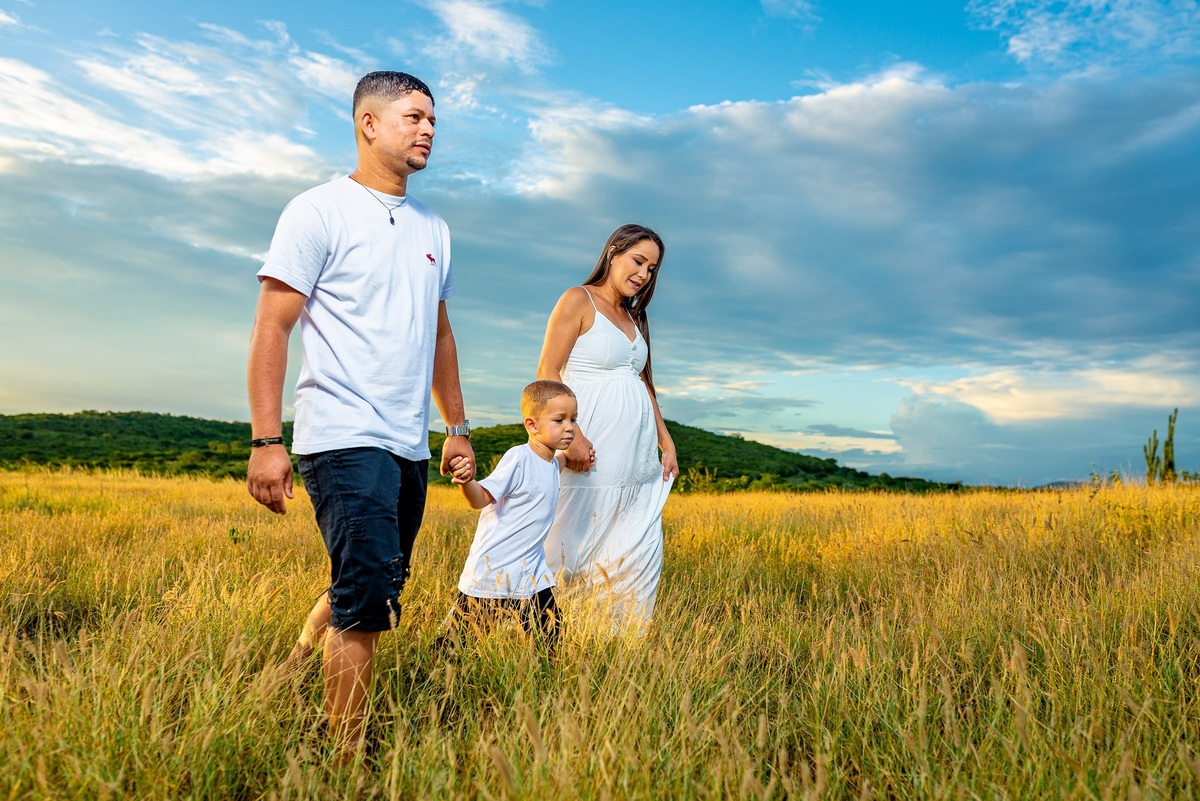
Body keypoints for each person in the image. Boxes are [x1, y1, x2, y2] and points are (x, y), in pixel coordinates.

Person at [246, 70, 475, 759]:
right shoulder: (317, 211)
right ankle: (346, 757)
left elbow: (440, 335)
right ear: (368, 124)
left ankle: (295, 657)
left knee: (380, 579)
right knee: (369, 594)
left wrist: (456, 428)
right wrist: (266, 439)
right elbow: (272, 326)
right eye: (413, 117)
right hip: (342, 433)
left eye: (433, 119)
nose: (428, 129)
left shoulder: (434, 228)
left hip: (407, 441)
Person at [536, 224, 678, 630]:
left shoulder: (635, 316)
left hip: (636, 458)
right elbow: (547, 370)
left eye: (652, 269)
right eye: (638, 261)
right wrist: (572, 435)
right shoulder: (578, 299)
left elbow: (642, 381)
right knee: (569, 539)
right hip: (590, 444)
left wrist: (666, 440)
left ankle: (617, 641)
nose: (643, 274)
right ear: (614, 253)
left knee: (635, 544)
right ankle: (540, 630)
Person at [438, 380, 576, 652]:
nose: (569, 427)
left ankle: (547, 674)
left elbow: (560, 461)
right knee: (458, 644)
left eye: (574, 419)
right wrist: (466, 480)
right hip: (495, 573)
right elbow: (480, 499)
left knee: (550, 634)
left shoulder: (551, 462)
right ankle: (434, 672)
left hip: (532, 574)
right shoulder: (519, 458)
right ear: (532, 425)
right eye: (559, 420)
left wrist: (574, 456)